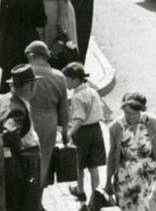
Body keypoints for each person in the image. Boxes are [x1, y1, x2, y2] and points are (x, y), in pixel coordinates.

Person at [106, 92, 156, 211]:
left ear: (140, 110)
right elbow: (112, 155)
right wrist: (108, 180)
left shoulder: (153, 123)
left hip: (152, 179)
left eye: (133, 113)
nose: (129, 117)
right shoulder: (116, 127)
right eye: (126, 113)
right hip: (126, 182)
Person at [25, 40, 68, 189]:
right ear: (46, 56)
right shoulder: (59, 76)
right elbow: (64, 108)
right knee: (44, 161)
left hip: (27, 120)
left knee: (25, 160)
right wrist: (65, 133)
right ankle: (38, 199)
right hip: (50, 122)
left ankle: (27, 197)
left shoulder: (25, 73)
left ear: (31, 56)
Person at [1, 64, 42, 211]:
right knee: (27, 203)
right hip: (25, 161)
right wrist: (15, 155)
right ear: (30, 86)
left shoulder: (8, 99)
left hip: (19, 161)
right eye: (34, 84)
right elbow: (9, 133)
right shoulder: (18, 109)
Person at [64, 62, 105, 201]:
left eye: (67, 80)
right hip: (96, 130)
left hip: (82, 133)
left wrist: (69, 133)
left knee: (79, 164)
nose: (66, 83)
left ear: (75, 79)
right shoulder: (93, 91)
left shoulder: (77, 97)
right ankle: (96, 194)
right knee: (93, 165)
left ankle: (80, 190)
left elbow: (79, 118)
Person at [0, 0, 46, 92]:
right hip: (30, 39)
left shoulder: (6, 1)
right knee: (31, 75)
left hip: (12, 42)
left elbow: (2, 26)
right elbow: (42, 21)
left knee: (8, 76)